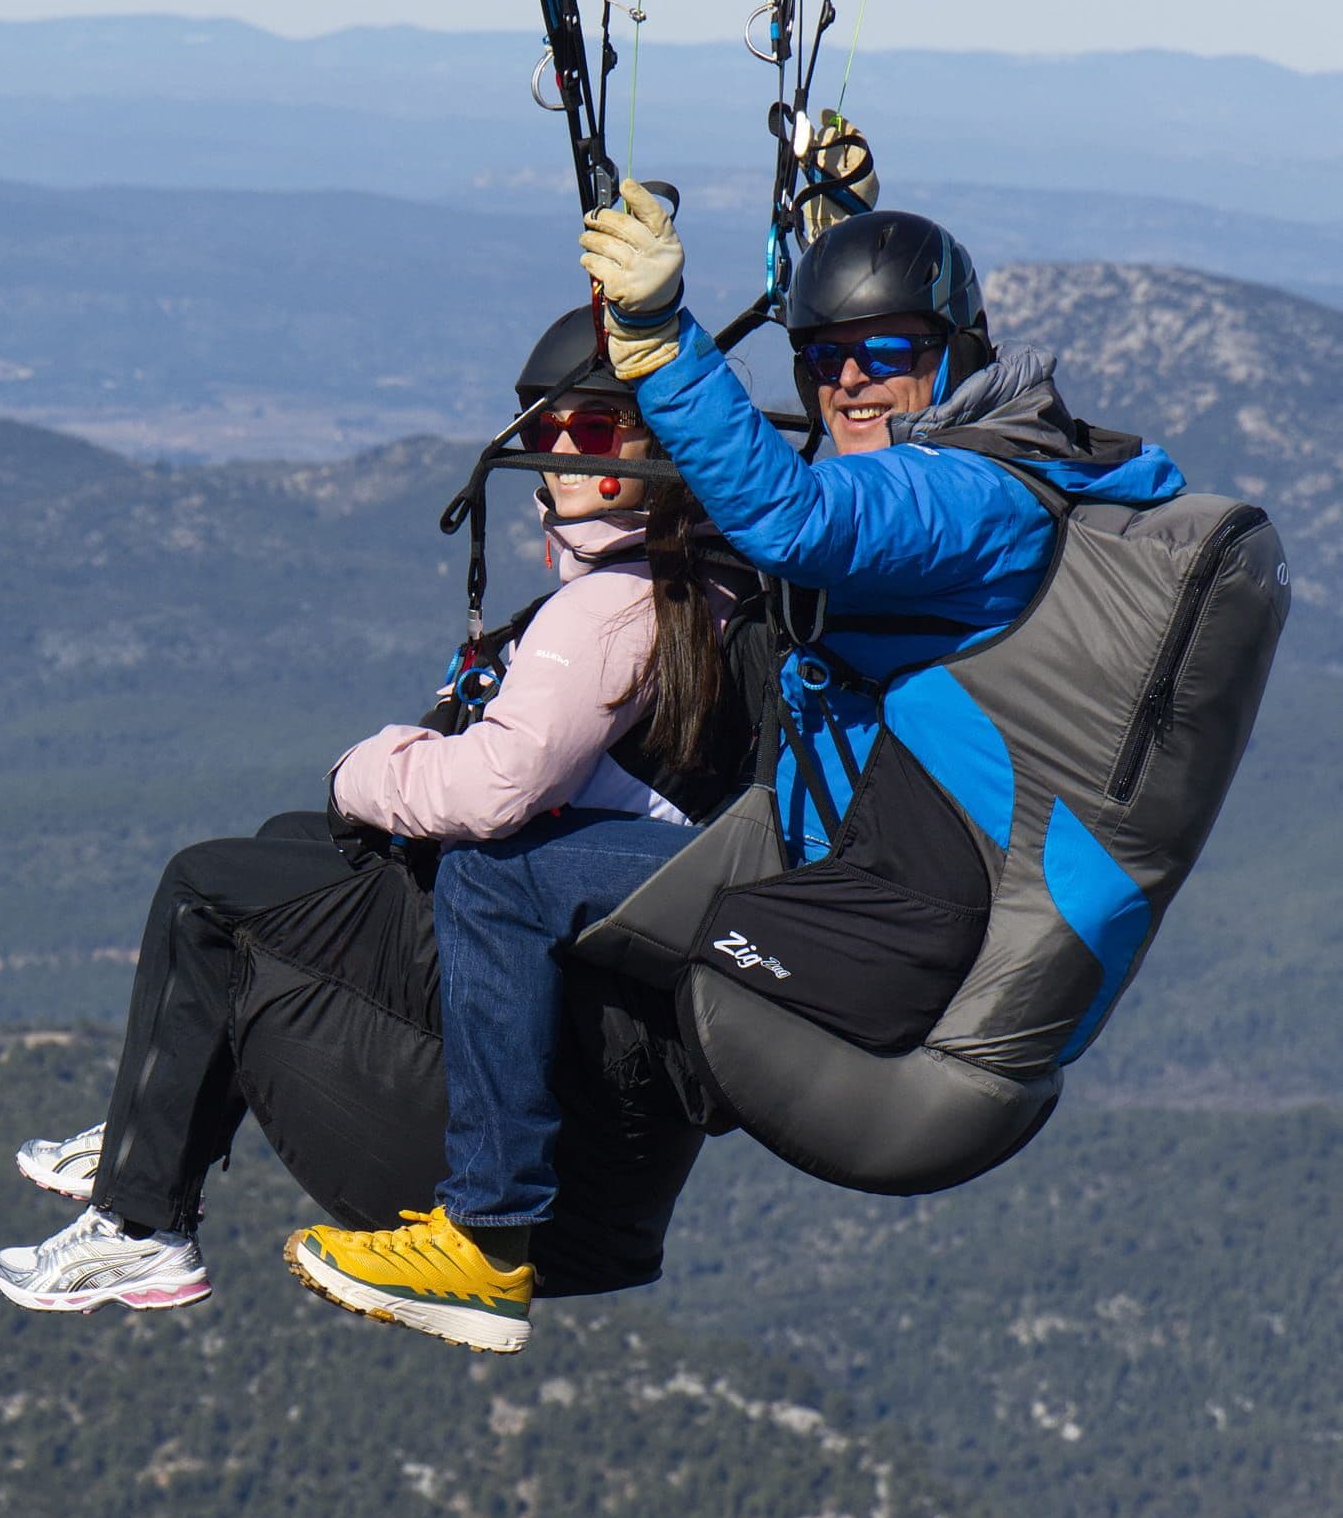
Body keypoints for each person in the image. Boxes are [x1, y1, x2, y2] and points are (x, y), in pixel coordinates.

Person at [333, 182, 1190, 1323]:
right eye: (825, 357)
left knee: (499, 876)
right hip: (868, 879)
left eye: (890, 352)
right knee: (569, 854)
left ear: (964, 351)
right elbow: (847, 482)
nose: (851, 380)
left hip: (888, 920)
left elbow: (798, 518)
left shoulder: (970, 494)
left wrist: (656, 337)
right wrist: (832, 229)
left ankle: (488, 1236)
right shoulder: (986, 463)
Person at [0, 310, 748, 1353]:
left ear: (656, 449)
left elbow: (497, 787)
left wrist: (365, 771)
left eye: (592, 429)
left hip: (519, 940)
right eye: (548, 426)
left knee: (206, 889)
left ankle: (141, 1222)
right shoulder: (709, 578)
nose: (562, 450)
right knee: (284, 845)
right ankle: (152, 1134)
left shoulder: (610, 610)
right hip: (588, 943)